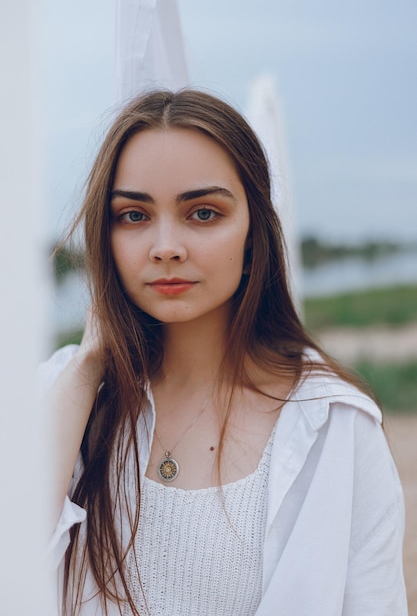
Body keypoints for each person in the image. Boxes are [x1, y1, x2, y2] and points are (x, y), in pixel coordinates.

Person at [40, 89, 407, 616]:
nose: (166, 246)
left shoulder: (336, 429)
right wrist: (89, 365)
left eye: (203, 213)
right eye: (134, 216)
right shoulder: (62, 396)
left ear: (255, 229)